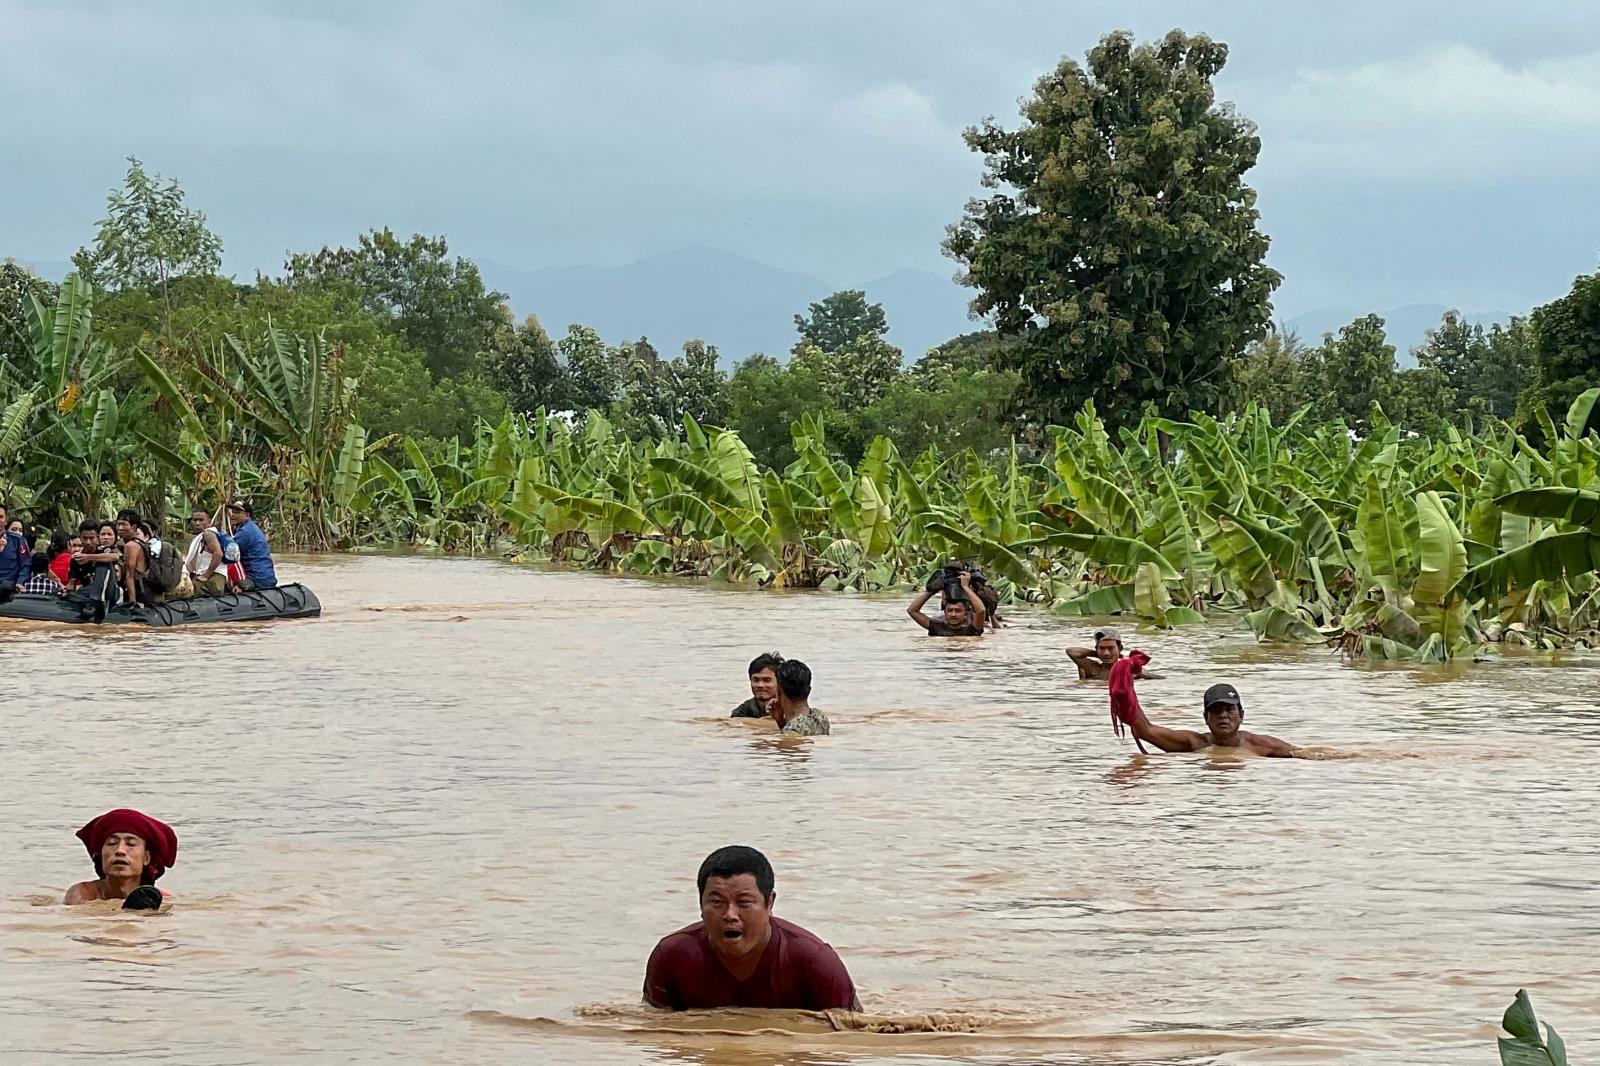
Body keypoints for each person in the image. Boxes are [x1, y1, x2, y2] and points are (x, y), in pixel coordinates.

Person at [643, 845, 859, 1011]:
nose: (730, 915)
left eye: (744, 902)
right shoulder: (671, 957)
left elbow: (848, 1040)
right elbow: (656, 1032)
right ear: (700, 904)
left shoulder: (815, 962)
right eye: (717, 902)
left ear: (770, 903)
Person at [1122, 682, 1305, 758]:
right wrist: (1125, 691)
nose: (1223, 716)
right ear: (1206, 718)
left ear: (1241, 715)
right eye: (1216, 711)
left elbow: (1305, 754)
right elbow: (1146, 731)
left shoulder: (1261, 744)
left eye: (1229, 710)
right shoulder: (1193, 742)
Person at [64, 808, 179, 905]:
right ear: (100, 855)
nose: (120, 850)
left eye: (131, 844)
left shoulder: (162, 899)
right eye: (112, 843)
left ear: (146, 858)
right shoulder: (82, 893)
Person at [907, 570, 986, 636]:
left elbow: (981, 610)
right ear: (944, 612)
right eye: (950, 610)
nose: (953, 614)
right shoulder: (937, 627)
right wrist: (932, 590)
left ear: (965, 612)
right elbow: (912, 611)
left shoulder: (973, 628)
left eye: (958, 611)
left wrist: (965, 587)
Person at [770, 659, 830, 736]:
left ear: (779, 692)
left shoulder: (791, 732)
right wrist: (780, 721)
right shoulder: (821, 717)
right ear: (809, 690)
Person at [227, 499, 277, 589]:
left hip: (256, 579)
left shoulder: (245, 531)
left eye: (237, 512)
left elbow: (228, 554)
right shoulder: (249, 527)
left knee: (229, 559)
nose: (233, 515)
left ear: (246, 515)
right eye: (232, 512)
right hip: (266, 577)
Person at [184, 508, 228, 596]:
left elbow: (218, 554)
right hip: (209, 575)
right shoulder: (203, 535)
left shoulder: (208, 533)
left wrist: (205, 576)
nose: (197, 523)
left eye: (201, 520)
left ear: (209, 520)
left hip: (214, 578)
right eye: (195, 520)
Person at [731, 652, 783, 718]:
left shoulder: (790, 707)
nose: (760, 685)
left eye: (766, 680)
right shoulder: (742, 712)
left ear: (779, 682)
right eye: (756, 680)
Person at [114, 509, 150, 605]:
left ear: (133, 527)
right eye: (118, 524)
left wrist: (132, 602)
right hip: (146, 590)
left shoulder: (130, 545)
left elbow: (130, 576)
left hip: (139, 592)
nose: (120, 528)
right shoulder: (140, 542)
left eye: (124, 524)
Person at [0, 511, 28, 600]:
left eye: (1, 517)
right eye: (14, 529)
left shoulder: (17, 540)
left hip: (8, 590)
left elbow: (25, 565)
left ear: (5, 520)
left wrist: (20, 582)